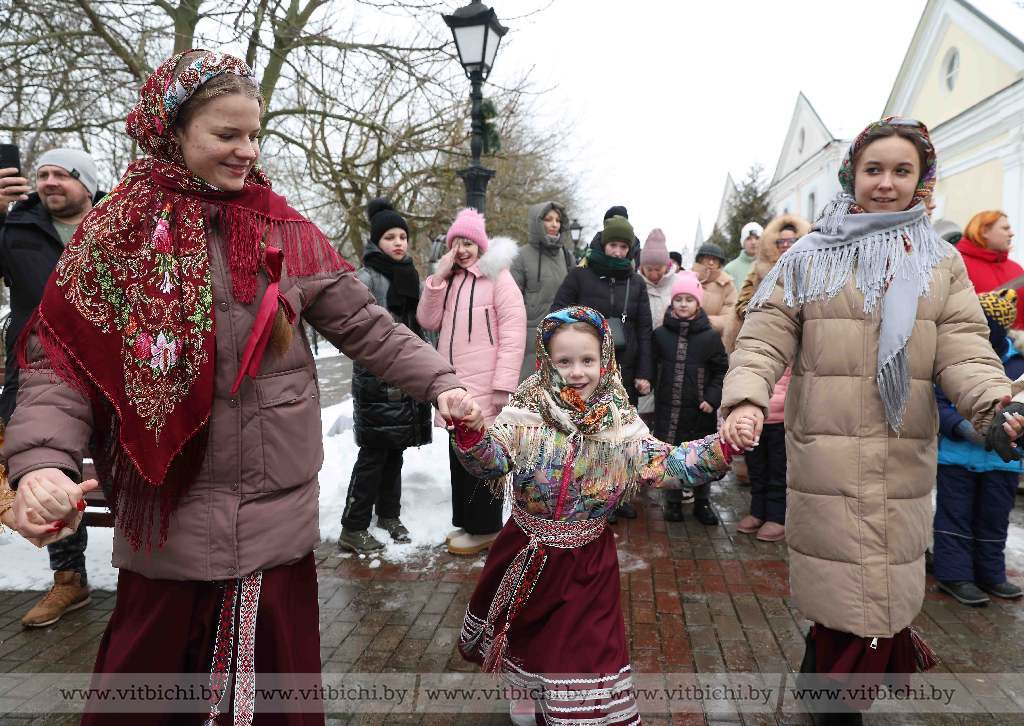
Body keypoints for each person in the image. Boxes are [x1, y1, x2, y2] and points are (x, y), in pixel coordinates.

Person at [0, 50, 476, 725]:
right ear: (173, 131)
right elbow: (60, 365)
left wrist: (443, 384)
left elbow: (368, 328)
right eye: (227, 135)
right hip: (167, 531)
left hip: (272, 525)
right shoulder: (112, 239)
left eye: (254, 135)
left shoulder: (285, 231)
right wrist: (40, 465)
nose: (246, 151)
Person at [720, 117, 1024, 721]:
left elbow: (964, 349)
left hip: (901, 457)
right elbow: (763, 336)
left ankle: (823, 689)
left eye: (902, 171)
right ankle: (835, 706)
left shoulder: (941, 263)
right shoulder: (809, 255)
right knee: (846, 596)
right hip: (826, 456)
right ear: (852, 174)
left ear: (922, 180)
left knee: (877, 593)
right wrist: (749, 397)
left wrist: (998, 407)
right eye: (874, 169)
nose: (886, 183)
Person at [451, 306, 752, 725]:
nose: (578, 371)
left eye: (588, 360)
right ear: (546, 362)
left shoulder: (620, 424)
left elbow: (668, 464)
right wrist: (471, 431)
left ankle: (579, 710)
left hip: (587, 560)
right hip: (526, 546)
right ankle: (523, 687)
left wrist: (724, 447)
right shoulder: (526, 412)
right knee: (525, 629)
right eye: (565, 361)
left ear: (605, 360)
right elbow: (492, 462)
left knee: (584, 644)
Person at [0, 148, 105, 627]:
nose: (49, 182)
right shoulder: (16, 228)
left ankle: (157, 576)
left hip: (114, 370)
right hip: (36, 372)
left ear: (87, 183)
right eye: (41, 174)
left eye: (61, 174)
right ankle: (69, 580)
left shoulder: (117, 224)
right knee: (48, 472)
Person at [417, 208, 526, 556]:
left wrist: (503, 384)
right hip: (453, 384)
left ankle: (486, 527)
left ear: (480, 245)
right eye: (456, 243)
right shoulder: (450, 279)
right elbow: (427, 319)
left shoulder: (499, 278)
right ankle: (467, 521)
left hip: (484, 385)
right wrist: (437, 279)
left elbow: (513, 331)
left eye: (468, 243)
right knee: (458, 456)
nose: (462, 249)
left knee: (482, 458)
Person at [340, 199, 434, 554]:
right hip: (377, 378)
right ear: (376, 241)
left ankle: (389, 515)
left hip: (405, 375)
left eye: (402, 236)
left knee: (395, 451)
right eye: (390, 237)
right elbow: (353, 327)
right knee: (373, 455)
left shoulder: (411, 275)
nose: (398, 243)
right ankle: (353, 526)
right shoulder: (365, 277)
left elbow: (421, 326)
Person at [551, 215, 653, 522]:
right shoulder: (579, 276)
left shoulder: (635, 283)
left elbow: (645, 329)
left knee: (619, 435)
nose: (618, 252)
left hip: (625, 366)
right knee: (586, 433)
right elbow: (556, 316)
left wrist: (644, 372)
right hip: (585, 372)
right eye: (613, 245)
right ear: (602, 244)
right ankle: (587, 495)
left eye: (624, 246)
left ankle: (616, 495)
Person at [933, 289, 1024, 606]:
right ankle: (954, 574)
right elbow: (939, 403)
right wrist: (962, 427)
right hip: (956, 457)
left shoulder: (1017, 364)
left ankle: (991, 573)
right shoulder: (953, 360)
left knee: (994, 519)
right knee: (954, 517)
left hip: (1004, 462)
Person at [653, 272, 728, 525]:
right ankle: (673, 502)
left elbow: (721, 370)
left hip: (699, 411)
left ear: (698, 303)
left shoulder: (709, 337)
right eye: (679, 299)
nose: (683, 304)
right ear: (672, 302)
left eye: (689, 299)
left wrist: (712, 397)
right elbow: (653, 365)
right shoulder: (661, 335)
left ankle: (702, 502)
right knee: (673, 456)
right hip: (668, 410)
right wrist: (646, 380)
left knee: (702, 458)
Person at [510, 201, 575, 382]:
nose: (554, 224)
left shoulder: (568, 257)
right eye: (548, 219)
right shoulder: (520, 256)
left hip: (564, 334)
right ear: (537, 222)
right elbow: (512, 300)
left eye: (557, 220)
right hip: (530, 339)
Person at [956, 211, 1023, 330]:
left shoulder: (1016, 269)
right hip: (975, 343)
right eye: (1005, 228)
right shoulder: (957, 264)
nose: (1011, 234)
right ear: (984, 231)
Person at [636, 228, 676, 423]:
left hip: (671, 348)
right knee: (645, 400)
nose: (653, 274)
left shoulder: (676, 283)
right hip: (645, 348)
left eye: (657, 269)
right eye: (648, 269)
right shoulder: (636, 284)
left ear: (666, 266)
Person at [692, 242, 738, 351]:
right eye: (707, 258)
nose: (711, 262)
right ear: (700, 260)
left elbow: (730, 317)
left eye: (715, 259)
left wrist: (705, 321)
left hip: (714, 343)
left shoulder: (727, 285)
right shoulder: (688, 279)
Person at [723, 221, 763, 287]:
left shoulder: (771, 266)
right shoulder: (730, 269)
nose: (753, 242)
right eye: (748, 238)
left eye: (757, 238)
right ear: (743, 243)